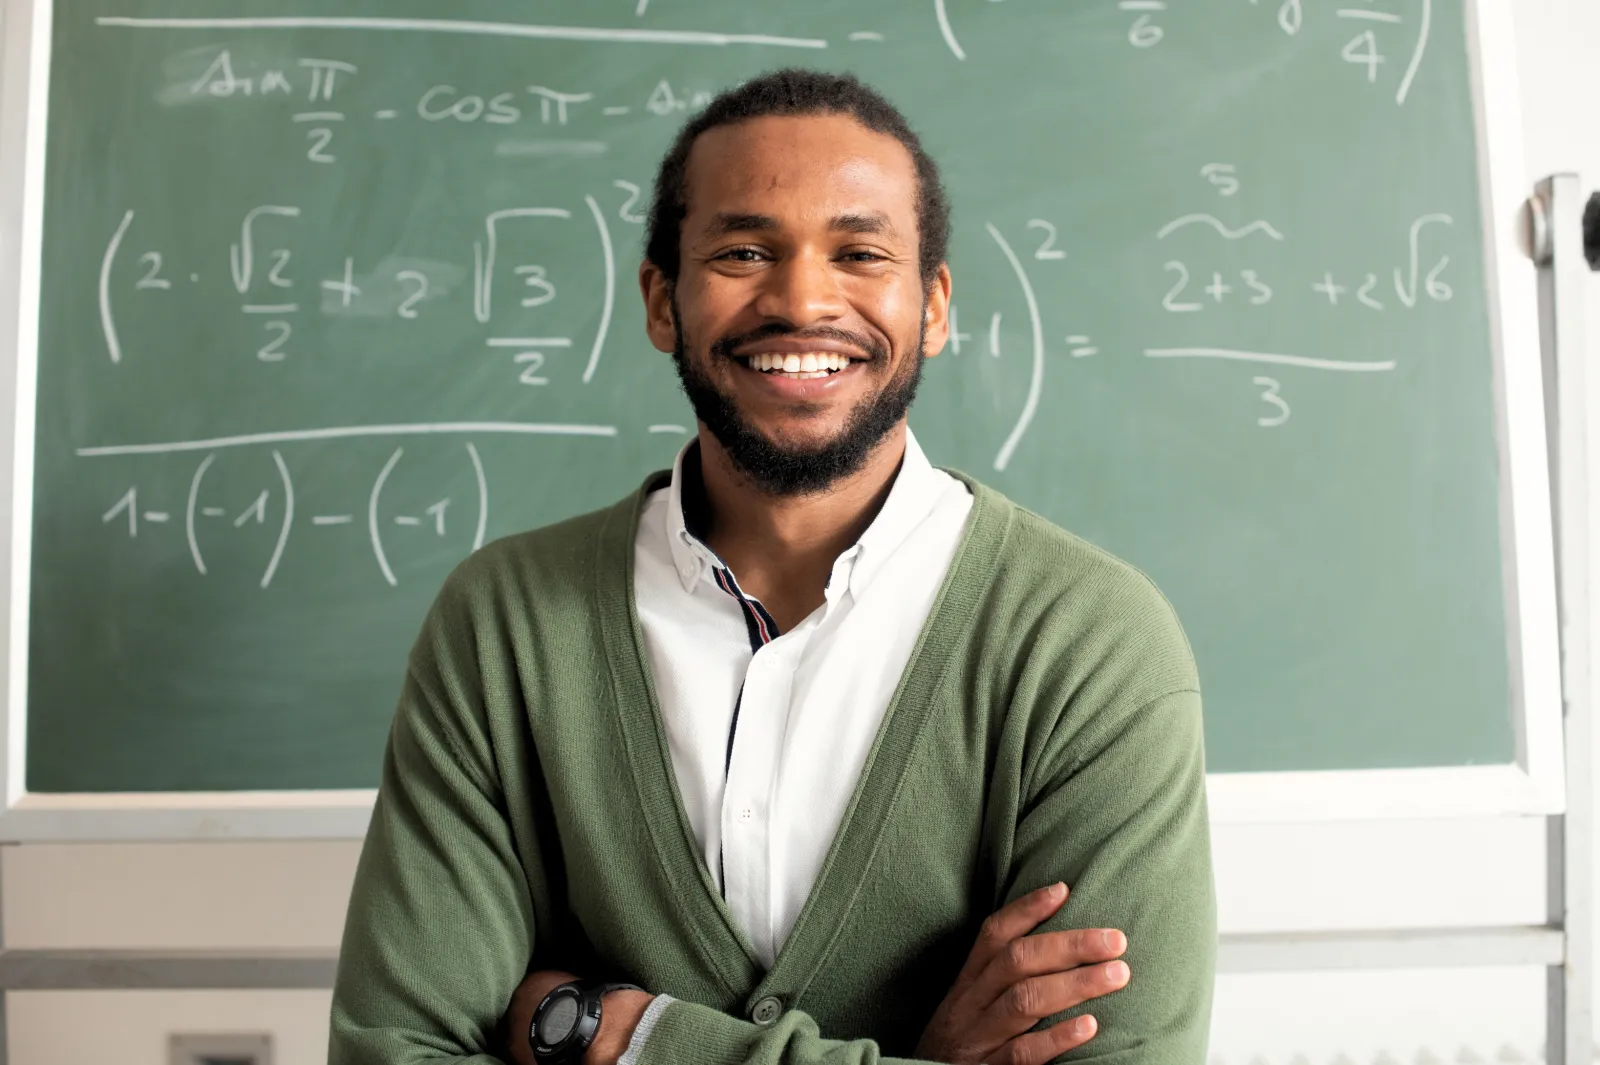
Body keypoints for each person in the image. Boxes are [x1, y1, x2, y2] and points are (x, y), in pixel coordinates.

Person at [329, 68, 1214, 1065]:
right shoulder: (504, 626)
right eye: (745, 251)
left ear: (932, 307)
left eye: (859, 252)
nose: (800, 298)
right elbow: (394, 1052)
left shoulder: (1088, 643)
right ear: (663, 303)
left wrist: (628, 1038)